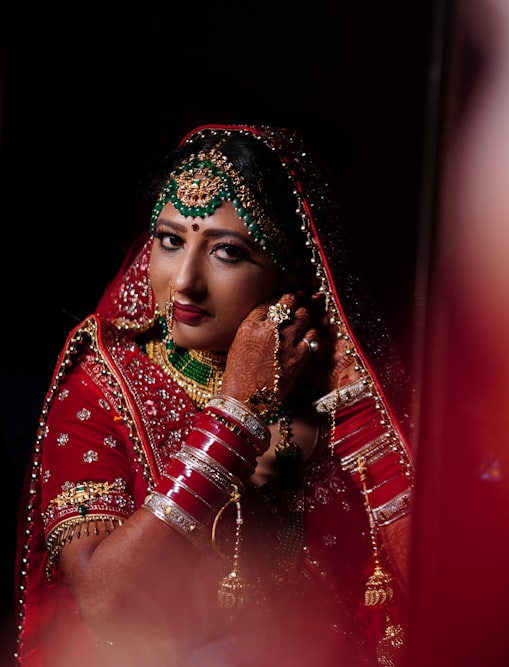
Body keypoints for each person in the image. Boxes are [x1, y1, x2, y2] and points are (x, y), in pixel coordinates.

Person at [13, 124, 416, 666]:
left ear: (294, 269)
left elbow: (445, 592)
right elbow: (107, 601)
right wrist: (235, 416)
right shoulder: (104, 385)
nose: (184, 281)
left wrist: (360, 407)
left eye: (226, 252)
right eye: (171, 240)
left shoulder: (349, 398)